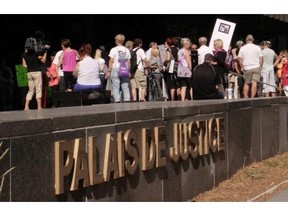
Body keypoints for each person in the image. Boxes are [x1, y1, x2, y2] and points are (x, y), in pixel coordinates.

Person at [22, 43, 48, 110]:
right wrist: (45, 52)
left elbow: (24, 65)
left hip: (29, 73)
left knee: (31, 90)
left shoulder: (24, 55)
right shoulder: (36, 53)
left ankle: (26, 106)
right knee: (38, 89)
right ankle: (39, 107)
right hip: (36, 72)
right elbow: (43, 60)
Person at [107, 34, 131, 103]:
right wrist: (128, 71)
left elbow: (111, 61)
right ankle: (127, 99)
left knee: (115, 86)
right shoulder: (127, 50)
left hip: (115, 69)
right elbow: (129, 62)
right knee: (125, 85)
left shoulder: (113, 50)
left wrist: (109, 71)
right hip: (124, 69)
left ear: (117, 41)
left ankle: (117, 99)